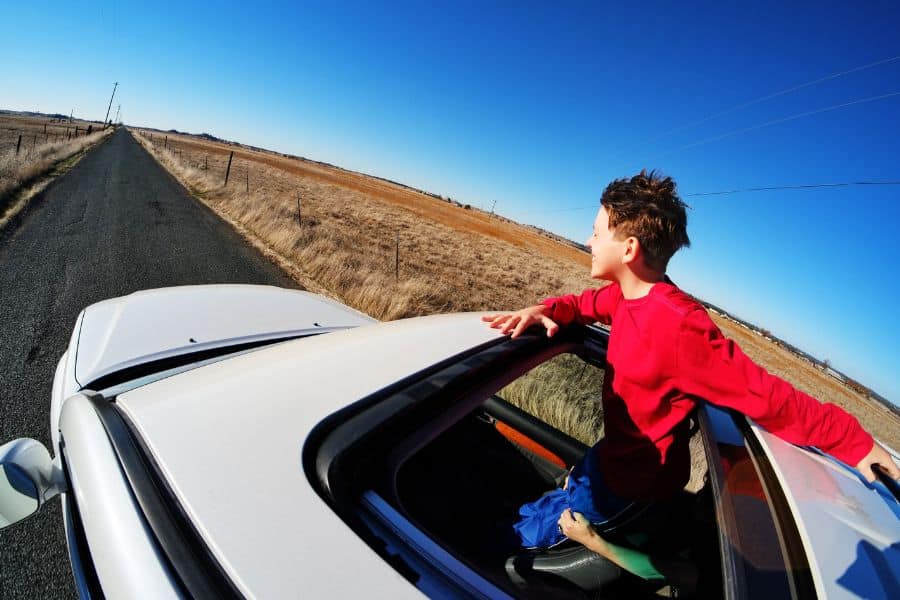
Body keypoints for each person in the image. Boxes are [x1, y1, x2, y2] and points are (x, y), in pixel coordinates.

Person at [482, 170, 899, 553]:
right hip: (609, 460)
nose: (589, 242)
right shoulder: (628, 295)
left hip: (632, 489)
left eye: (595, 233)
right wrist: (546, 308)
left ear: (629, 249)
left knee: (518, 544)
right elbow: (585, 304)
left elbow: (766, 396)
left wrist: (853, 443)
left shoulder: (679, 325)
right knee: (537, 507)